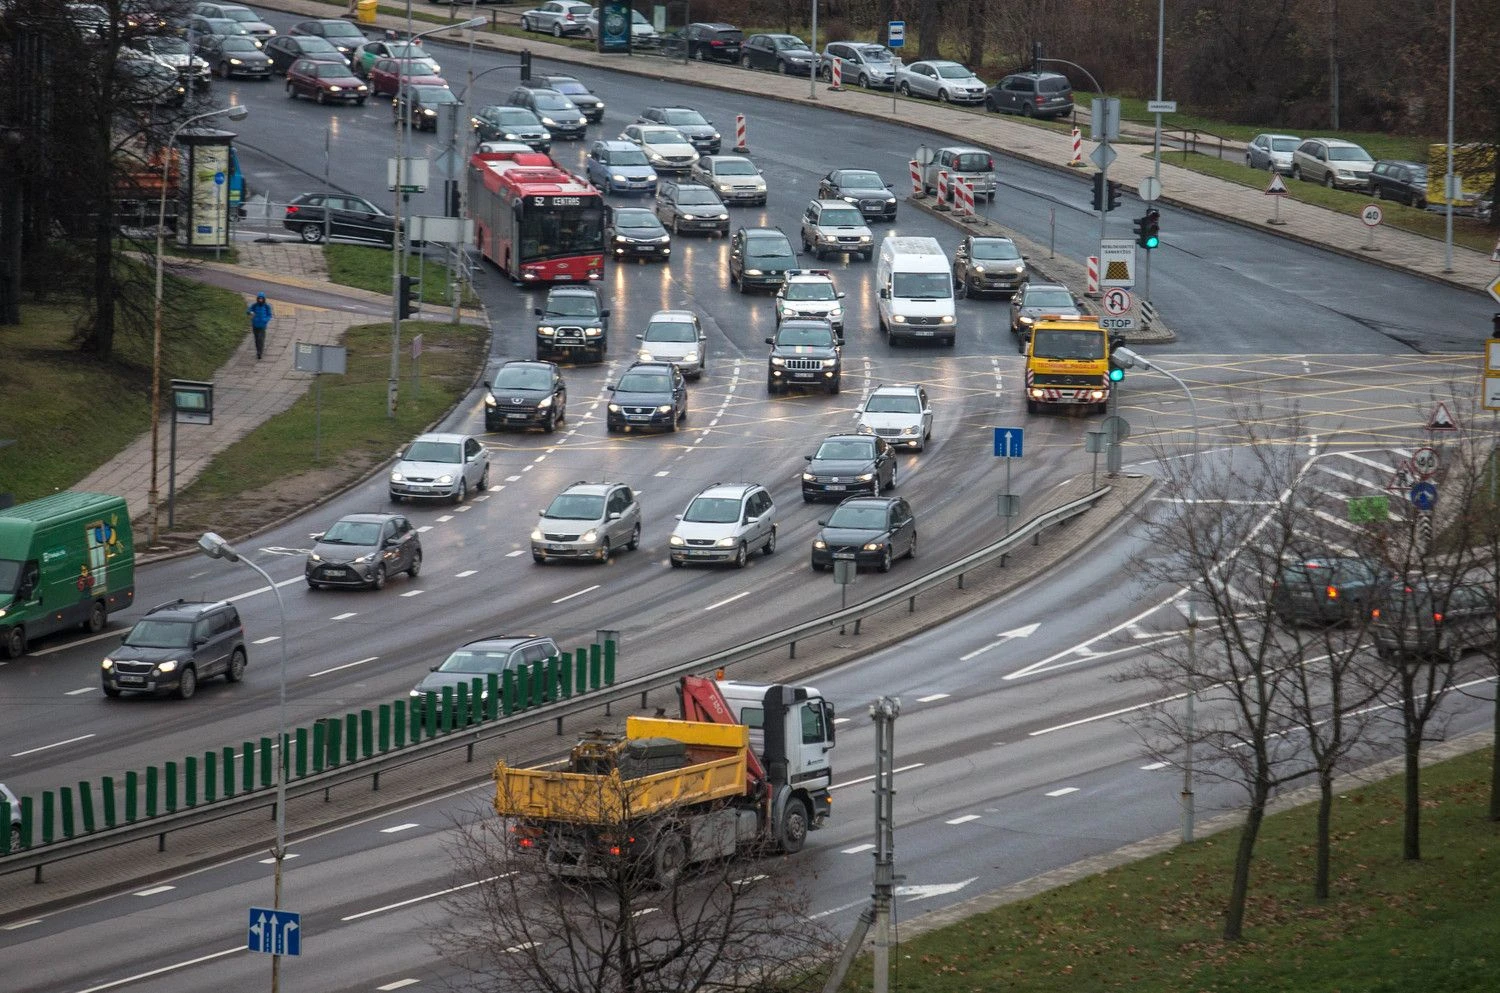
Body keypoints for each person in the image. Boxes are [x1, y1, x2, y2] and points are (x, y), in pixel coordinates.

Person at [247, 292, 273, 360]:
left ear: (264, 299)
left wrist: (265, 320)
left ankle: (260, 352)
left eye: (261, 299)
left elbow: (269, 315)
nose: (260, 300)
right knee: (256, 339)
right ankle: (258, 350)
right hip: (255, 325)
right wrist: (250, 312)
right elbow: (248, 310)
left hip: (262, 326)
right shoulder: (254, 305)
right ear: (257, 299)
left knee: (261, 339)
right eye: (259, 298)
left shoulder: (267, 306)